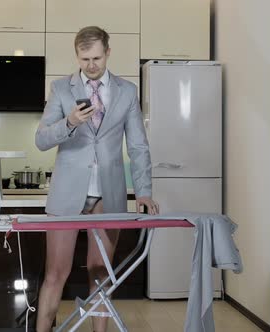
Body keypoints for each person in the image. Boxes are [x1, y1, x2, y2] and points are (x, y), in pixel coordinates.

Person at [34, 26, 159, 332]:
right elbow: (41, 139)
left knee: (101, 274)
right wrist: (69, 122)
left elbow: (139, 145)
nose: (91, 65)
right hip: (66, 194)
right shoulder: (61, 89)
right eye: (84, 58)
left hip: (109, 195)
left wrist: (143, 192)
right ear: (77, 55)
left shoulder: (127, 91)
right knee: (56, 274)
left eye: (97, 57)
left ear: (108, 53)